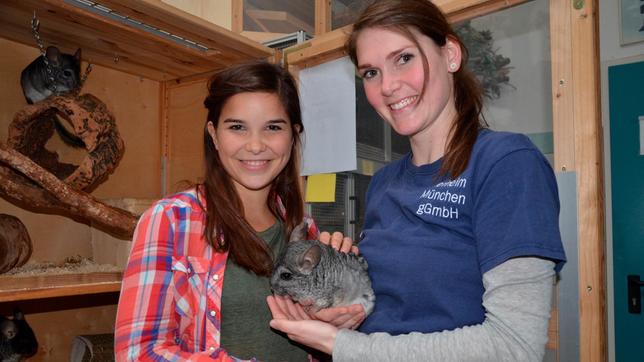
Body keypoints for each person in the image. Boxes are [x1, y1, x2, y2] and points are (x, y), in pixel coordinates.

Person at [267, 1, 567, 361]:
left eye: (404, 58)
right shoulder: (383, 183)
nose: (388, 86)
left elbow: (513, 346)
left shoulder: (506, 164)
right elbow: (396, 311)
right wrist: (340, 313)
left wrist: (343, 346)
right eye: (371, 73)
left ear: (451, 54)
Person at [115, 60, 332, 361]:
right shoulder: (171, 220)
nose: (255, 145)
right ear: (214, 135)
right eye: (237, 127)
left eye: (272, 127)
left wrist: (341, 313)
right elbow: (137, 354)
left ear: (293, 135)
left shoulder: (306, 230)